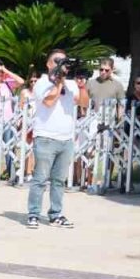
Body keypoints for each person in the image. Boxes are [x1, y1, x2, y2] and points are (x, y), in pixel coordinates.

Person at [26, 50, 89, 228]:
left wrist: (82, 85)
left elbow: (84, 103)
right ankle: (33, 213)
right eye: (57, 61)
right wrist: (59, 82)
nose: (61, 64)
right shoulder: (42, 82)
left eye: (64, 61)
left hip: (66, 139)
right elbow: (48, 101)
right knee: (40, 178)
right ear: (48, 64)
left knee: (59, 180)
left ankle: (56, 214)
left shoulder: (71, 84)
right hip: (45, 137)